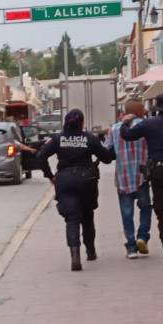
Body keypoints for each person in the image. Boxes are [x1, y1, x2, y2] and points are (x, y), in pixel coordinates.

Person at [37, 109, 115, 271]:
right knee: (87, 216)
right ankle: (91, 251)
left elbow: (41, 156)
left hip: (65, 181)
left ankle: (75, 257)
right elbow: (107, 158)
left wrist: (50, 175)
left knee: (72, 219)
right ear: (82, 123)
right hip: (87, 180)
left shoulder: (58, 139)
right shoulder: (90, 139)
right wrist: (110, 148)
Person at [120, 93, 163, 267]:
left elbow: (127, 135)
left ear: (157, 108)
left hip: (160, 171)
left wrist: (125, 122)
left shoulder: (150, 124)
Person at [107, 101, 152, 260]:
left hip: (123, 177)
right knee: (146, 208)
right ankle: (142, 236)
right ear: (139, 111)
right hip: (142, 177)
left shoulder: (114, 129)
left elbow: (107, 151)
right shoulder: (147, 126)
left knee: (127, 214)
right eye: (143, 108)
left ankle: (131, 248)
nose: (146, 110)